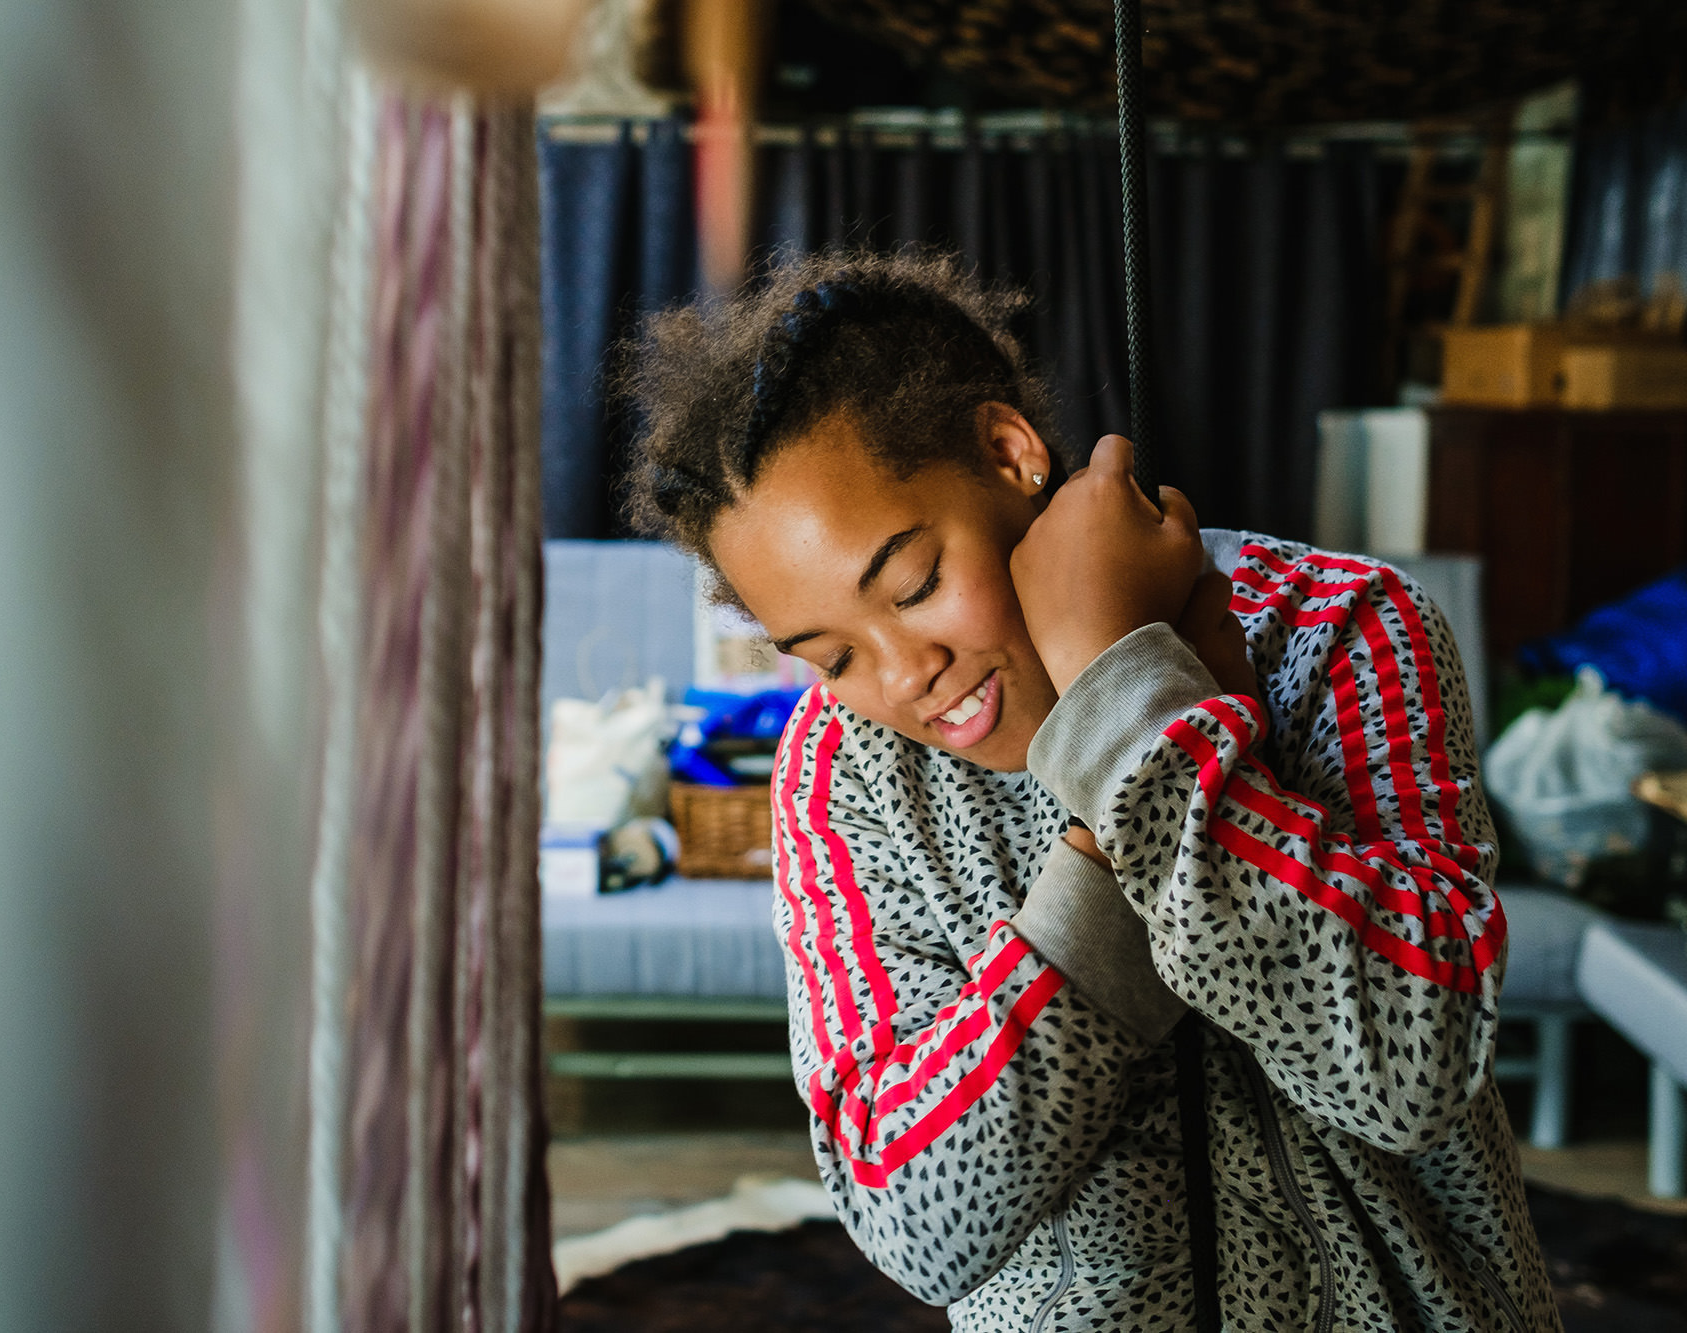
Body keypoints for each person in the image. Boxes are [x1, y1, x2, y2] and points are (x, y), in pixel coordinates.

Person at [621, 252, 1557, 1331]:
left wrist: (1132, 693)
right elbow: (912, 1220)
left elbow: (1406, 1065)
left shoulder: (1340, 628)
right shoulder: (840, 774)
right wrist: (1117, 806)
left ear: (1007, 451)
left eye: (915, 583)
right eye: (830, 655)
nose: (899, 675)